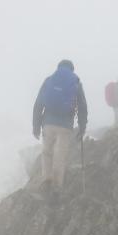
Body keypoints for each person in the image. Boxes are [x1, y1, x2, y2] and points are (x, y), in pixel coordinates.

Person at [32, 59, 88, 200]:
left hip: (48, 123)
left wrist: (36, 125)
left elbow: (38, 103)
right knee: (60, 155)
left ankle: (46, 181)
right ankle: (57, 186)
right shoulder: (75, 82)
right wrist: (82, 126)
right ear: (72, 69)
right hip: (65, 125)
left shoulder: (49, 80)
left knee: (47, 152)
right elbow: (82, 106)